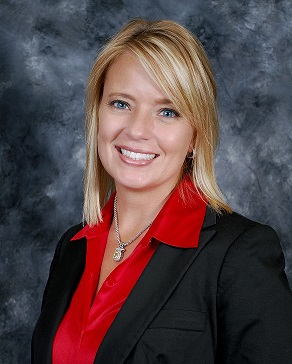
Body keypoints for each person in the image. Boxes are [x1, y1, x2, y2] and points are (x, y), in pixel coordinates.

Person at [31, 18, 292, 364]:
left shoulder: (240, 255)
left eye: (167, 112)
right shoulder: (72, 247)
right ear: (98, 114)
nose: (137, 131)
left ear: (195, 138)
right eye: (121, 104)